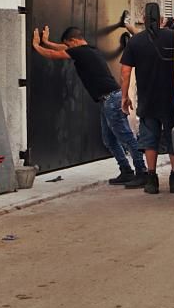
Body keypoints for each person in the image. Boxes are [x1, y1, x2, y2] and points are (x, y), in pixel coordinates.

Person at [32, 25, 148, 187]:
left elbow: (54, 53)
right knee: (109, 140)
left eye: (69, 45)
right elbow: (63, 48)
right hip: (108, 100)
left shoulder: (80, 51)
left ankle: (142, 172)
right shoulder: (88, 49)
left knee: (126, 137)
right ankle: (126, 170)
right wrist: (47, 41)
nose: (68, 48)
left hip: (111, 100)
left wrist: (37, 46)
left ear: (74, 41)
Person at [120, 3, 174, 195]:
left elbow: (125, 72)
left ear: (144, 20)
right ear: (162, 19)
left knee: (149, 140)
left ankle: (152, 179)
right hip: (173, 98)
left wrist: (125, 97)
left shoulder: (136, 42)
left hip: (148, 99)